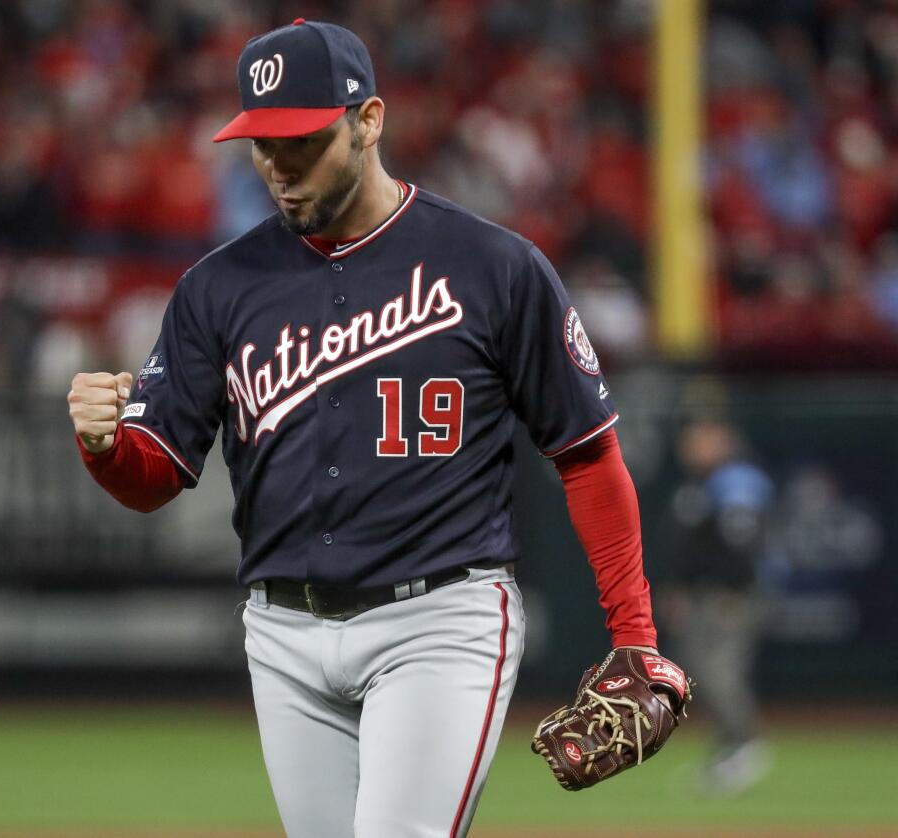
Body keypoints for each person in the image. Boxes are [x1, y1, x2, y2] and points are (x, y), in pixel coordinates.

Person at [69, 19, 668, 837]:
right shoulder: (217, 288)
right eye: (262, 145)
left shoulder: (494, 267)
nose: (280, 167)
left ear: (369, 120)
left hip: (439, 621)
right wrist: (105, 449)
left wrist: (634, 633)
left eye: (302, 142)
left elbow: (588, 455)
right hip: (281, 632)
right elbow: (156, 476)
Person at [660, 415, 773, 796]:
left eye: (700, 437)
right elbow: (688, 547)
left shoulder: (737, 479)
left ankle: (746, 744)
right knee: (698, 672)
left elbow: (743, 539)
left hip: (729, 595)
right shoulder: (698, 483)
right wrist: (679, 587)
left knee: (720, 671)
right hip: (701, 595)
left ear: (722, 438)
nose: (691, 445)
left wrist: (734, 587)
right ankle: (729, 749)